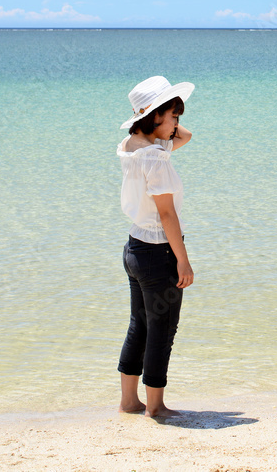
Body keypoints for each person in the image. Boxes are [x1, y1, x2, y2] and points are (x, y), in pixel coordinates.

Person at [116, 75, 195, 419]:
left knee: (140, 325)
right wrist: (183, 261)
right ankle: (156, 406)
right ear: (154, 116)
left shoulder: (132, 147)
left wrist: (163, 116)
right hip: (159, 252)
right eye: (173, 115)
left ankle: (130, 401)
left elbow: (186, 137)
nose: (178, 123)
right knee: (161, 329)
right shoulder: (157, 159)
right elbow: (167, 214)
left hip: (134, 247)